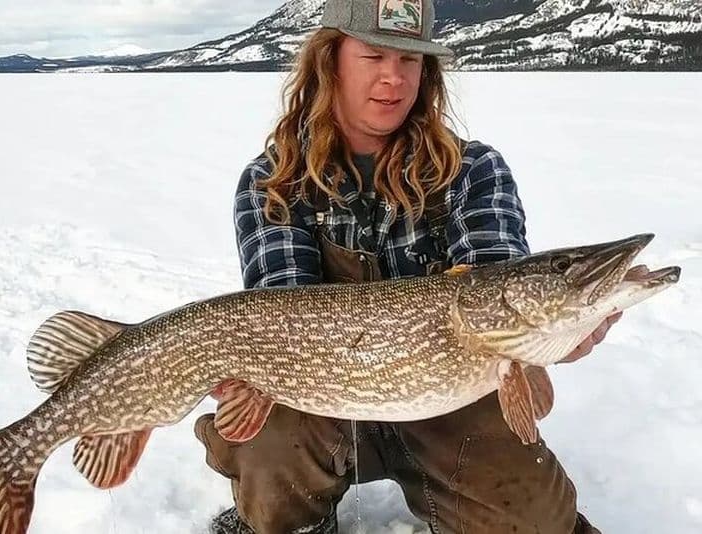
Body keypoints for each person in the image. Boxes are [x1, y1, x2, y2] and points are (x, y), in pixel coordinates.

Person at [194, 0, 621, 532]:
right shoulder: (274, 181)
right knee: (273, 443)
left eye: (410, 60)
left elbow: (496, 281)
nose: (394, 78)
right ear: (330, 62)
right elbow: (282, 309)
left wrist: (550, 335)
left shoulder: (473, 170)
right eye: (374, 56)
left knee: (535, 522)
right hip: (320, 402)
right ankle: (292, 519)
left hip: (449, 398)